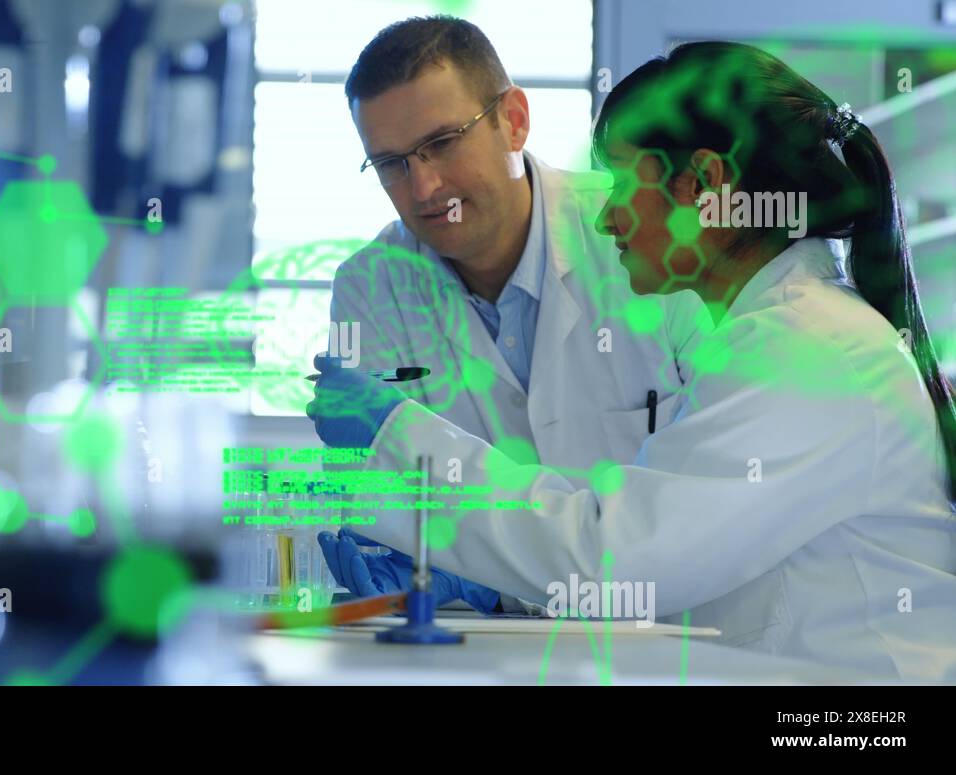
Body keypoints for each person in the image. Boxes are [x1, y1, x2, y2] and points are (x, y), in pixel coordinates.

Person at [317, 40, 956, 680]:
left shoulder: (804, 349)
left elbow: (612, 555)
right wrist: (469, 572)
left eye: (624, 184)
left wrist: (398, 438)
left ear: (705, 184)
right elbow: (658, 539)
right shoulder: (785, 331)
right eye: (393, 163)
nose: (607, 216)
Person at [306, 16, 708, 615]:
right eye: (391, 163)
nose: (423, 187)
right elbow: (379, 504)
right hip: (482, 651)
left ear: (514, 121)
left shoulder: (643, 240)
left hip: (673, 640)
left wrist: (491, 571)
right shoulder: (370, 286)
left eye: (440, 144)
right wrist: (423, 565)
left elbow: (704, 507)